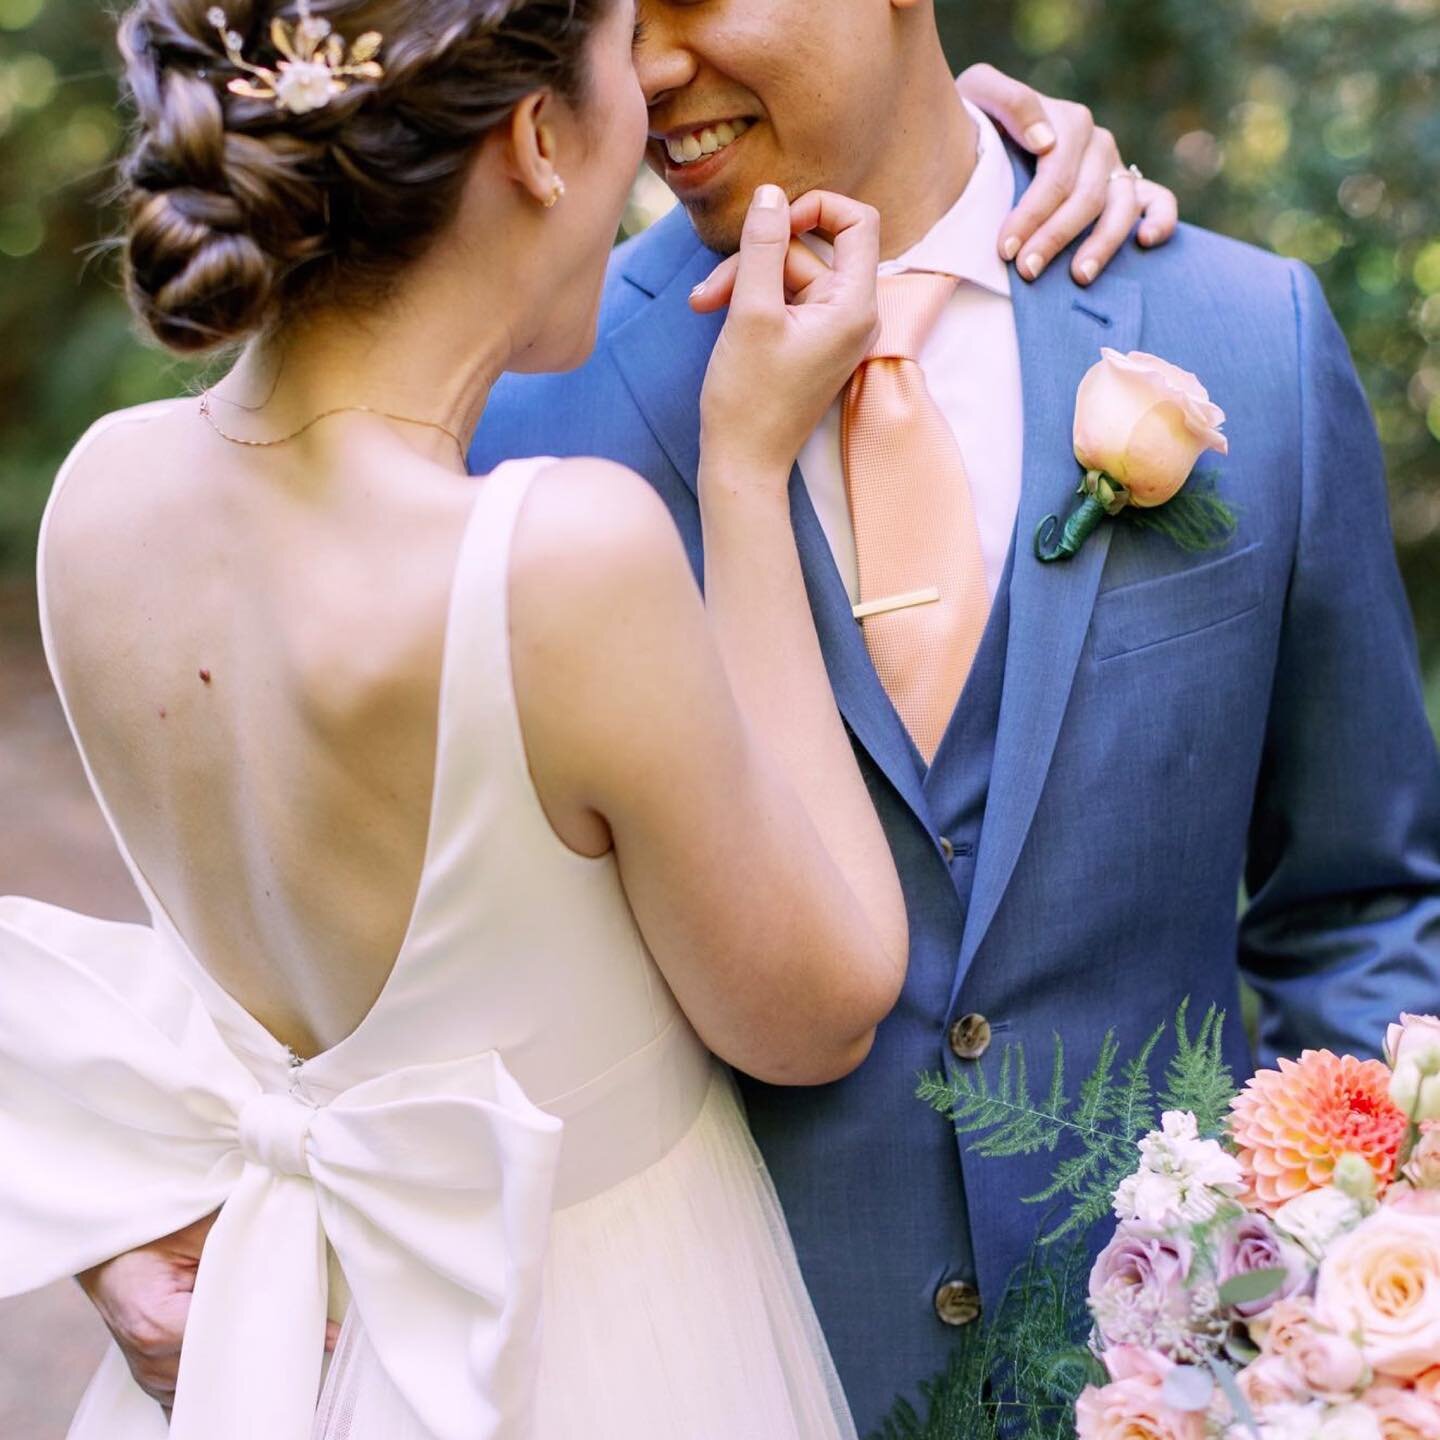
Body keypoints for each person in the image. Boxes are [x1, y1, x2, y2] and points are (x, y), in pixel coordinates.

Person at [0, 1, 1165, 1437]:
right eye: (626, 50)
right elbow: (816, 1009)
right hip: (593, 1355)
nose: (661, 96)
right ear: (541, 139)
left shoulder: (101, 497)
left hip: (276, 1354)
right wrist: (741, 479)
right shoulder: (558, 557)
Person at [480, 0, 1440, 1433]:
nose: (650, 61)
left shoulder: (1247, 337)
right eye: (612, 12)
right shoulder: (527, 413)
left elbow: (1360, 909)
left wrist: (1356, 1293)